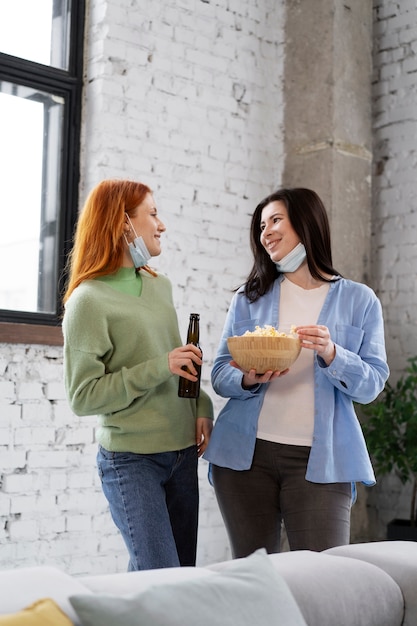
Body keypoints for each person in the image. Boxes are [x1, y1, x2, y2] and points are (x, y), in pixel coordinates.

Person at [204, 187, 389, 558]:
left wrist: (333, 353)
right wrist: (247, 378)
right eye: (261, 226)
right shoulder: (248, 298)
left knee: (324, 577)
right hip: (245, 459)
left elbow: (372, 384)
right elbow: (220, 373)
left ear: (306, 224)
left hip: (322, 462)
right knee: (256, 579)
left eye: (275, 221)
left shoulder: (359, 300)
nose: (265, 232)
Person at [62, 179, 213, 571]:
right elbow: (83, 397)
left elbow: (182, 362)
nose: (161, 225)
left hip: (182, 453)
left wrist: (203, 404)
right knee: (159, 576)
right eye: (153, 213)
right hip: (131, 461)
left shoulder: (160, 287)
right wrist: (157, 367)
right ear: (123, 222)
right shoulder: (88, 301)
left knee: (174, 582)